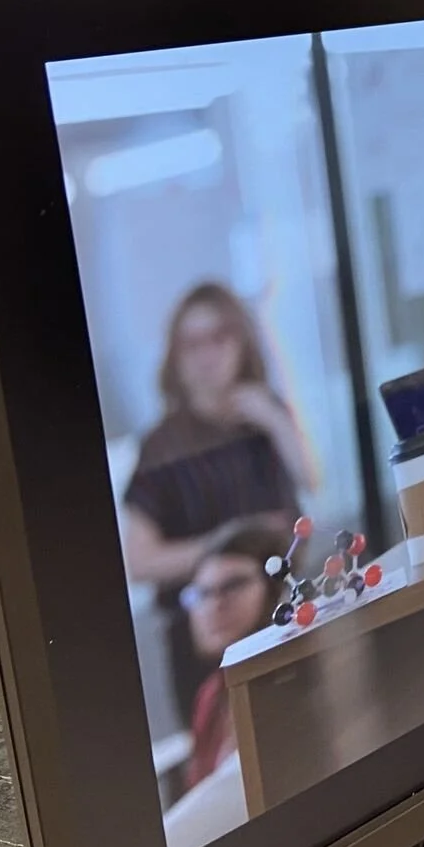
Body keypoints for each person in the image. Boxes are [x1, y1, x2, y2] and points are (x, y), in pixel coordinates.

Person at [123, 282, 312, 702]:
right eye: (192, 344)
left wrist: (274, 420)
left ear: (242, 342)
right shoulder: (162, 446)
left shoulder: (264, 414)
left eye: (220, 337)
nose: (208, 354)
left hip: (280, 616)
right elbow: (140, 561)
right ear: (175, 356)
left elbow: (312, 479)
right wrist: (228, 543)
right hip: (209, 640)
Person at [176, 518, 282, 793]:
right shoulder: (210, 695)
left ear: (274, 590)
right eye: (202, 593)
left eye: (233, 585)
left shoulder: (291, 680)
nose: (215, 605)